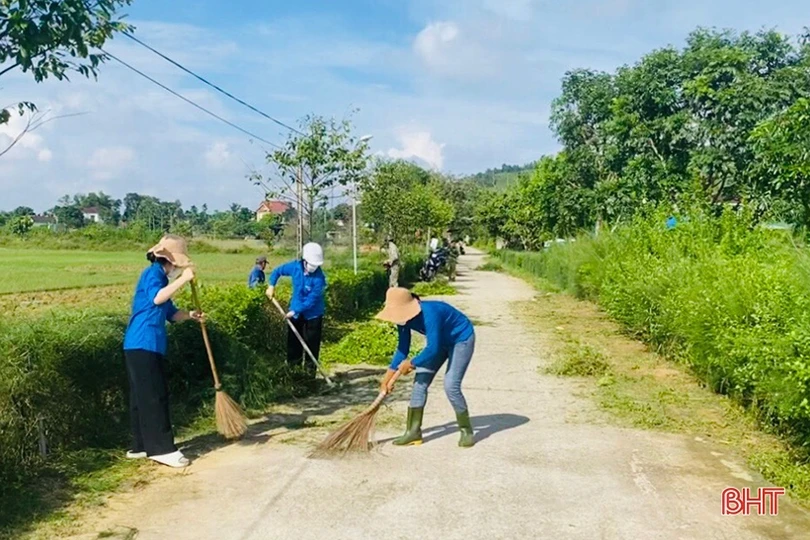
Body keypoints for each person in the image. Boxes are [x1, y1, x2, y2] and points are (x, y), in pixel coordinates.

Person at [123, 234, 204, 468]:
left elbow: (171, 314)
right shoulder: (153, 275)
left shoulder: (160, 280)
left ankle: (141, 445)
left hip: (146, 345)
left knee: (141, 397)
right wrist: (182, 280)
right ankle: (161, 448)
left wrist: (190, 316)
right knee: (154, 395)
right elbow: (158, 298)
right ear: (171, 262)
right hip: (142, 342)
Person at [376, 287, 476, 448]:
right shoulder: (402, 320)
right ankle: (413, 432)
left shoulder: (430, 313)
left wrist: (412, 363)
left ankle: (466, 430)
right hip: (440, 343)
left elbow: (432, 349)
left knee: (451, 385)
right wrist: (386, 380)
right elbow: (402, 349)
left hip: (461, 340)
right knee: (419, 384)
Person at [266, 242, 326, 383]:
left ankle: (309, 377)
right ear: (304, 260)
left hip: (313, 315)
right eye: (311, 263)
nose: (313, 267)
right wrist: (271, 285)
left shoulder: (319, 278)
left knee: (312, 346)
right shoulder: (295, 267)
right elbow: (277, 271)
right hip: (295, 312)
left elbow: (311, 300)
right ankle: (294, 375)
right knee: (293, 345)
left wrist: (295, 311)